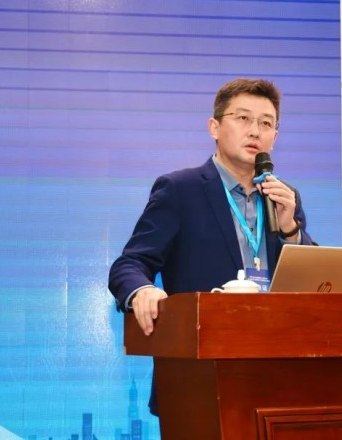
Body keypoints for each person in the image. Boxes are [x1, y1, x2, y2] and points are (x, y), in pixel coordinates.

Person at [108, 78, 315, 415]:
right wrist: (142, 290)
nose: (255, 131)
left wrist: (292, 230)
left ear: (275, 137)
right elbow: (129, 264)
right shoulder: (180, 189)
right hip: (199, 377)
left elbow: (313, 283)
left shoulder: (284, 197)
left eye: (266, 123)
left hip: (277, 376)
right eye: (243, 118)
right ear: (214, 127)